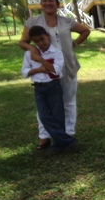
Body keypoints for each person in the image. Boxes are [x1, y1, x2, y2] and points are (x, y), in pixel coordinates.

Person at [19, 0, 91, 150]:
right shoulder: (32, 22)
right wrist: (31, 48)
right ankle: (44, 137)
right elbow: (23, 42)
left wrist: (74, 44)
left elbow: (85, 30)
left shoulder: (66, 21)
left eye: (51, 0)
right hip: (44, 68)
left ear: (57, 4)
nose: (47, 3)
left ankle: (68, 133)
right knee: (44, 105)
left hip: (67, 66)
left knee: (68, 102)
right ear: (41, 4)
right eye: (44, 1)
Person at [21, 26, 78, 154]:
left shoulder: (56, 52)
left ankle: (59, 145)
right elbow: (24, 72)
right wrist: (38, 69)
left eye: (42, 39)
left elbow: (55, 70)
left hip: (53, 86)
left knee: (58, 115)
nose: (41, 43)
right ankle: (68, 142)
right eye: (36, 41)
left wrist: (40, 60)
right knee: (44, 116)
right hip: (38, 88)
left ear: (48, 36)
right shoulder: (29, 54)